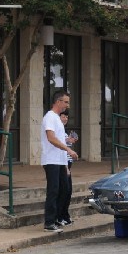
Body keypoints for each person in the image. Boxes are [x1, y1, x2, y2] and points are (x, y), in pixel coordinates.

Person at [41, 91, 78, 233]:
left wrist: (65, 166)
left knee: (65, 189)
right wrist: (68, 150)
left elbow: (60, 139)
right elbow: (51, 138)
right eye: (66, 102)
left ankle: (57, 218)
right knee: (53, 190)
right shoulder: (50, 117)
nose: (67, 105)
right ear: (58, 102)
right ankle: (49, 222)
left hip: (60, 161)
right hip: (51, 160)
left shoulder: (57, 119)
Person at [58, 109, 78, 225]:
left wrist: (69, 140)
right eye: (63, 116)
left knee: (68, 191)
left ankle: (65, 215)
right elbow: (60, 146)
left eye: (67, 117)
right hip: (63, 165)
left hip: (68, 165)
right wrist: (66, 167)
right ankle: (60, 217)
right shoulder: (58, 132)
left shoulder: (64, 132)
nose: (65, 118)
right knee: (64, 191)